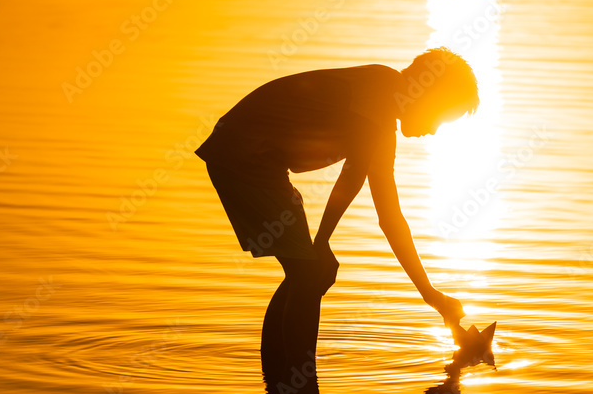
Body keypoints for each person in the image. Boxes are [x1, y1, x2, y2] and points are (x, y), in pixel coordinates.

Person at [196, 47, 478, 369]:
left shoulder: (383, 120)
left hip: (262, 160)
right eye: (440, 117)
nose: (433, 130)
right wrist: (322, 241)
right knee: (308, 272)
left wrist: (430, 294)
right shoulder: (379, 91)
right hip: (245, 153)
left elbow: (390, 216)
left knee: (308, 271)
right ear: (427, 94)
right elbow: (353, 174)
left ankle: (282, 375)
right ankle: (296, 382)